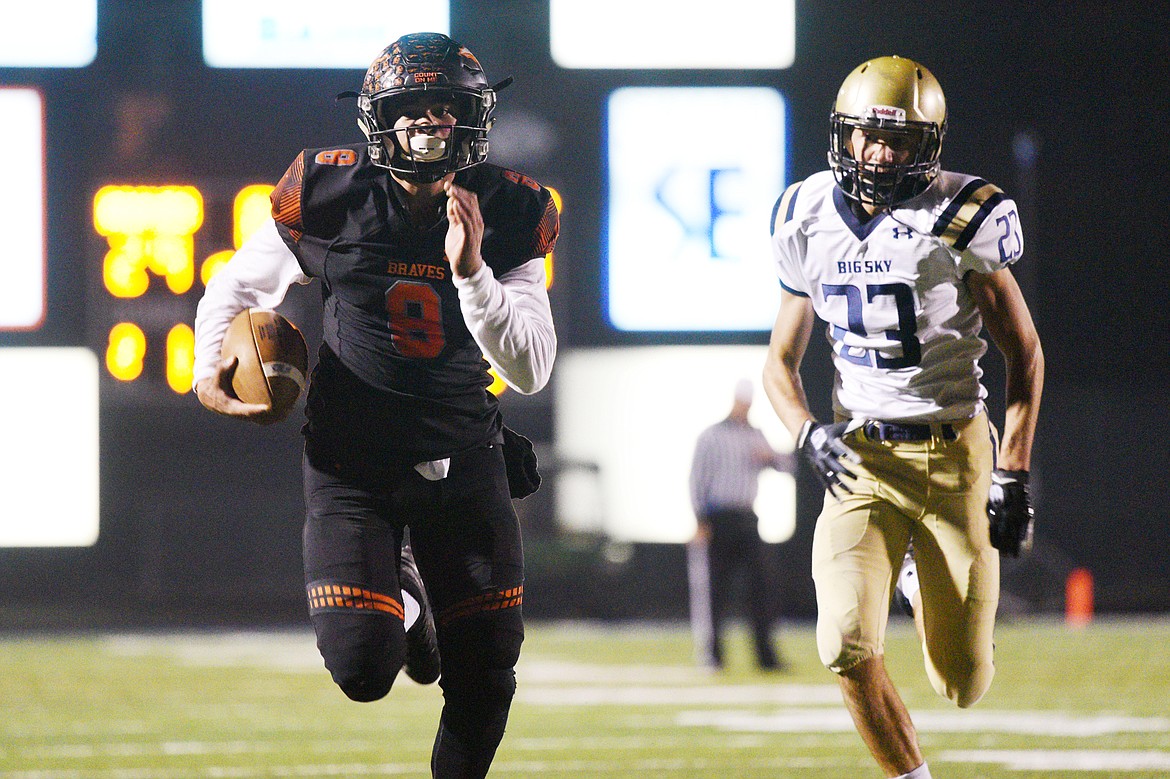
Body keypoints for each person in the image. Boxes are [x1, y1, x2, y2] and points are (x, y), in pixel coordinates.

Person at [193, 32, 559, 778]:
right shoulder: (329, 194)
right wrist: (208, 368)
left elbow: (530, 368)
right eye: (412, 109)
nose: (430, 125)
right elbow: (236, 286)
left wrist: (472, 275)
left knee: (486, 675)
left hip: (465, 452)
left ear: (474, 121)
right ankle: (410, 605)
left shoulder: (513, 210)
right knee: (364, 665)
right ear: (376, 120)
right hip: (353, 459)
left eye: (446, 109)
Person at [762, 56, 1042, 779]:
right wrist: (805, 430)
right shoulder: (805, 216)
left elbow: (1026, 354)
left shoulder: (962, 215)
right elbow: (779, 363)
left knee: (963, 681)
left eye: (900, 141)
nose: (880, 154)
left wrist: (1011, 471)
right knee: (844, 642)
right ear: (842, 136)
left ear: (930, 146)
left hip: (956, 457)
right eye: (867, 137)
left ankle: (921, 578)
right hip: (862, 461)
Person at [688, 378, 795, 671]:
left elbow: (788, 467)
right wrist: (700, 520)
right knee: (714, 592)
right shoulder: (711, 436)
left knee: (762, 588)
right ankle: (712, 656)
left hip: (747, 518)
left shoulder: (756, 436)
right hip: (718, 518)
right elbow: (698, 479)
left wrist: (770, 455)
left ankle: (766, 657)